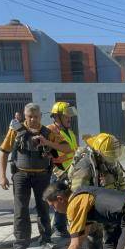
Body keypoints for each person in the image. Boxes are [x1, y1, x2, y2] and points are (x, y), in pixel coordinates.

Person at [0, 103, 67, 249]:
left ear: (40, 116)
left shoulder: (47, 132)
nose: (33, 119)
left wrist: (47, 143)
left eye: (36, 116)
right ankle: (20, 245)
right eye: (30, 116)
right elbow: (3, 152)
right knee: (21, 210)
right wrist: (2, 176)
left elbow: (66, 148)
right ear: (25, 116)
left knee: (43, 207)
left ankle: (46, 239)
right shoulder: (15, 131)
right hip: (21, 176)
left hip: (42, 176)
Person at [46, 101, 79, 237]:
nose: (69, 118)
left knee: (68, 200)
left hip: (70, 171)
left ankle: (63, 226)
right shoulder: (50, 130)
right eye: (66, 116)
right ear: (57, 117)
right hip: (58, 172)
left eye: (69, 116)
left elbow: (73, 150)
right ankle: (59, 229)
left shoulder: (69, 132)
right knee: (60, 202)